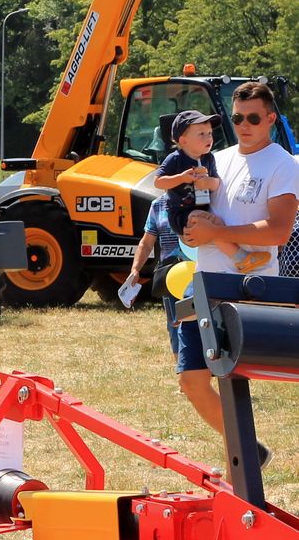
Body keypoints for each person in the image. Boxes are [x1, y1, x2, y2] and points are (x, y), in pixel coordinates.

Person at [178, 82, 299, 466]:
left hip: (248, 289)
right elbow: (197, 209)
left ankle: (243, 466)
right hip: (204, 285)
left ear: (270, 119)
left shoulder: (283, 164)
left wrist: (218, 233)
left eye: (252, 118)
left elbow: (278, 230)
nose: (243, 125)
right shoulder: (219, 159)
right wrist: (191, 225)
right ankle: (250, 452)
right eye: (237, 117)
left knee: (231, 382)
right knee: (192, 382)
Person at [154, 110, 269, 273]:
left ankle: (241, 259)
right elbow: (158, 182)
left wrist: (208, 182)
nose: (208, 137)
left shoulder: (208, 158)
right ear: (183, 140)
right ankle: (241, 258)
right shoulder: (175, 159)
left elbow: (216, 183)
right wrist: (181, 178)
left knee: (215, 226)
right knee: (211, 224)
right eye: (201, 134)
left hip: (202, 208)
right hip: (181, 213)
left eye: (209, 133)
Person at [127, 194, 185, 356]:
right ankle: (184, 376)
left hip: (197, 272)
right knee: (175, 328)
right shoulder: (158, 204)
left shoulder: (201, 198)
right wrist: (135, 269)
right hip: (170, 276)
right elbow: (146, 243)